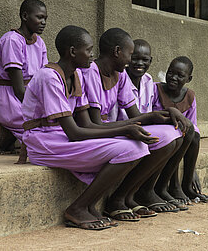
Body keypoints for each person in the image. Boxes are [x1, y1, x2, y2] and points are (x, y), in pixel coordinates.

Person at [22, 25, 174, 230]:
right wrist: (124, 130)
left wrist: (137, 126)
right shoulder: (49, 77)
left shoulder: (76, 76)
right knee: (132, 147)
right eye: (88, 50)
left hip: (60, 136)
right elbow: (75, 133)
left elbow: (85, 124)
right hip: (42, 141)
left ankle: (91, 204)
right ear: (73, 52)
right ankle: (78, 208)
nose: (92, 55)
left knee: (137, 145)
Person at [81, 28, 188, 217]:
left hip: (109, 128)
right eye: (130, 55)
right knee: (139, 144)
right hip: (96, 130)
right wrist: (133, 126)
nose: (131, 61)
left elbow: (136, 114)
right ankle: (116, 199)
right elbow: (95, 123)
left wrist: (166, 113)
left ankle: (129, 195)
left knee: (175, 137)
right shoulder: (91, 73)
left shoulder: (120, 74)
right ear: (116, 52)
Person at [153, 56, 208, 204]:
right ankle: (171, 186)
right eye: (170, 73)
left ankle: (186, 186)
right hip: (161, 137)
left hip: (179, 138)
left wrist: (192, 170)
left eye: (180, 75)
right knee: (178, 134)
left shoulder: (190, 96)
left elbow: (193, 126)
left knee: (192, 133)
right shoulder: (156, 90)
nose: (173, 78)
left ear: (189, 78)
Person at [0, 0, 48, 159]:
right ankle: (6, 134)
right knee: (40, 136)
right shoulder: (12, 40)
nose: (43, 22)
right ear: (24, 16)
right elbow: (18, 88)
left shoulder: (39, 42)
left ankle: (9, 132)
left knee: (53, 126)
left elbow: (42, 76)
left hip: (30, 94)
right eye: (39, 17)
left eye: (45, 18)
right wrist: (39, 107)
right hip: (11, 96)